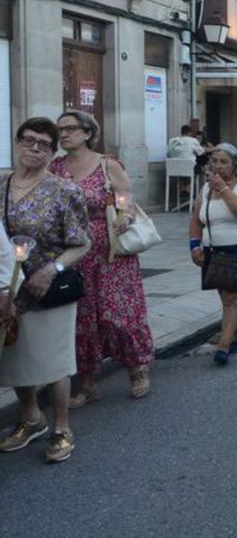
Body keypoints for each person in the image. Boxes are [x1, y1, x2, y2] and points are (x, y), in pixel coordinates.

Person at [0, 118, 91, 463]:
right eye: (29, 140)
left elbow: (82, 242)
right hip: (12, 289)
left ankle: (62, 427)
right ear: (17, 142)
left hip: (50, 287)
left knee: (54, 362)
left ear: (53, 152)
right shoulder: (3, 184)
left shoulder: (63, 189)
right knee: (17, 358)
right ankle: (30, 419)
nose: (35, 148)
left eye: (44, 144)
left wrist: (51, 270)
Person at [50, 110, 154, 406]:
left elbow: (126, 197)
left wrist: (124, 215)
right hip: (73, 251)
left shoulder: (107, 164)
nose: (64, 134)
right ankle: (86, 384)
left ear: (87, 133)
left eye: (71, 129)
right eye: (61, 130)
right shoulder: (55, 168)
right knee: (82, 319)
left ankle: (138, 368)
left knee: (118, 314)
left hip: (110, 252)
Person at [189, 144, 237, 365]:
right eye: (215, 161)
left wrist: (224, 189)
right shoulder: (206, 189)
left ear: (234, 165)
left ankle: (223, 346)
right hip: (213, 248)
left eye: (224, 162)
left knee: (231, 298)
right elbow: (196, 220)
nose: (218, 166)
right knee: (226, 297)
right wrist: (195, 246)